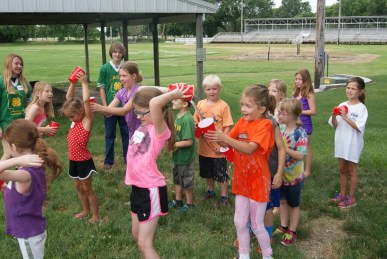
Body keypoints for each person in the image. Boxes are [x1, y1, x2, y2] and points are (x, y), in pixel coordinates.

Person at [205, 84, 274, 259]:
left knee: (257, 225)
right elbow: (226, 143)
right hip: (242, 179)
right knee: (239, 221)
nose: (243, 109)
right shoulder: (242, 122)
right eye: (242, 104)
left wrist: (225, 138)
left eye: (248, 105)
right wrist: (213, 133)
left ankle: (267, 255)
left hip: (258, 180)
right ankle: (244, 255)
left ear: (262, 108)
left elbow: (250, 148)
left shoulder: (265, 125)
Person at [126, 86, 188, 258]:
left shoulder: (160, 130)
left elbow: (154, 102)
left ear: (157, 111)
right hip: (137, 187)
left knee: (144, 244)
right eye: (136, 112)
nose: (138, 117)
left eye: (141, 113)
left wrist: (173, 94)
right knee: (136, 235)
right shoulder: (144, 126)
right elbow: (144, 90)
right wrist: (170, 88)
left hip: (150, 189)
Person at [0, 119, 63, 259]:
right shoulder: (30, 167)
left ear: (14, 148)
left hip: (29, 233)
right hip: (31, 228)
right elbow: (23, 191)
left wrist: (13, 160)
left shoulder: (25, 173)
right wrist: (7, 189)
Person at [60, 71, 100, 224]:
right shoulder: (75, 121)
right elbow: (68, 99)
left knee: (87, 189)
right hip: (73, 160)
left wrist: (84, 83)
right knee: (78, 187)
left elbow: (85, 101)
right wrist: (72, 83)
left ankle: (96, 215)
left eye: (72, 116)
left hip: (84, 161)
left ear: (82, 111)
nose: (70, 119)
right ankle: (85, 210)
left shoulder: (86, 121)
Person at [193, 74, 234, 206]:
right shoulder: (200, 104)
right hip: (204, 147)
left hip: (218, 149)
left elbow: (228, 125)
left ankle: (224, 196)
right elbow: (195, 121)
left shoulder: (223, 106)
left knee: (221, 173)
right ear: (204, 89)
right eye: (208, 89)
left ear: (219, 89)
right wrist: (198, 130)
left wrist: (223, 143)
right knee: (208, 172)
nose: (211, 92)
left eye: (214, 89)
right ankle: (210, 191)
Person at [328, 77, 368, 208]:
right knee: (342, 169)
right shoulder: (342, 104)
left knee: (351, 170)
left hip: (353, 143)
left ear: (360, 91)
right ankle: (342, 194)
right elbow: (334, 125)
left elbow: (358, 127)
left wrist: (345, 116)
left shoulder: (361, 108)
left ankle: (351, 198)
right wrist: (334, 116)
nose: (350, 91)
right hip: (341, 142)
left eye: (353, 88)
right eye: (348, 88)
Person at [274, 98, 308, 246]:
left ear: (293, 116)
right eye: (279, 112)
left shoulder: (300, 133)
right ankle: (283, 226)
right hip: (281, 174)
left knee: (294, 204)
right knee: (282, 201)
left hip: (294, 177)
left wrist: (283, 148)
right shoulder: (279, 129)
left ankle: (292, 230)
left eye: (283, 113)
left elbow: (301, 155)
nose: (279, 116)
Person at [97, 41, 129, 170]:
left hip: (125, 108)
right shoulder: (105, 68)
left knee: (126, 134)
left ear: (123, 54)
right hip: (110, 107)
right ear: (111, 53)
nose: (117, 54)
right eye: (115, 52)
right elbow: (102, 89)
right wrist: (106, 107)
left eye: (120, 52)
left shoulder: (126, 67)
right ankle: (108, 161)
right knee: (110, 135)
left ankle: (128, 159)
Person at [93, 61, 142, 140]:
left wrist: (101, 108)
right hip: (132, 133)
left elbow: (124, 111)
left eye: (124, 76)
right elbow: (108, 112)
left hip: (142, 133)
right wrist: (93, 108)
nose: (121, 79)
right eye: (120, 76)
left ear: (134, 76)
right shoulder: (121, 92)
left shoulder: (138, 92)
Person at [0, 53, 32, 160]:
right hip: (6, 124)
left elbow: (29, 103)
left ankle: (17, 176)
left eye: (21, 64)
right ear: (9, 64)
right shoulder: (1, 81)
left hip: (21, 125)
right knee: (8, 154)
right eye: (16, 63)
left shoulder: (24, 83)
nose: (19, 66)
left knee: (22, 154)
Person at [168, 96, 196, 212]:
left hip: (186, 158)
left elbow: (189, 141)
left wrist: (173, 145)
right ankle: (178, 200)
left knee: (187, 181)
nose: (172, 101)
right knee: (178, 179)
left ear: (184, 104)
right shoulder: (178, 117)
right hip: (178, 156)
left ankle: (190, 204)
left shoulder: (187, 119)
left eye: (175, 100)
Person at [292, 69, 316, 177]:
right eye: (296, 79)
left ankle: (307, 170)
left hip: (305, 125)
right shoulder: (295, 93)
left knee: (306, 147)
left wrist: (299, 111)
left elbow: (313, 111)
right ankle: (295, 167)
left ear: (306, 80)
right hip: (294, 124)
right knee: (294, 146)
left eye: (300, 79)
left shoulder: (309, 94)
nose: (297, 81)